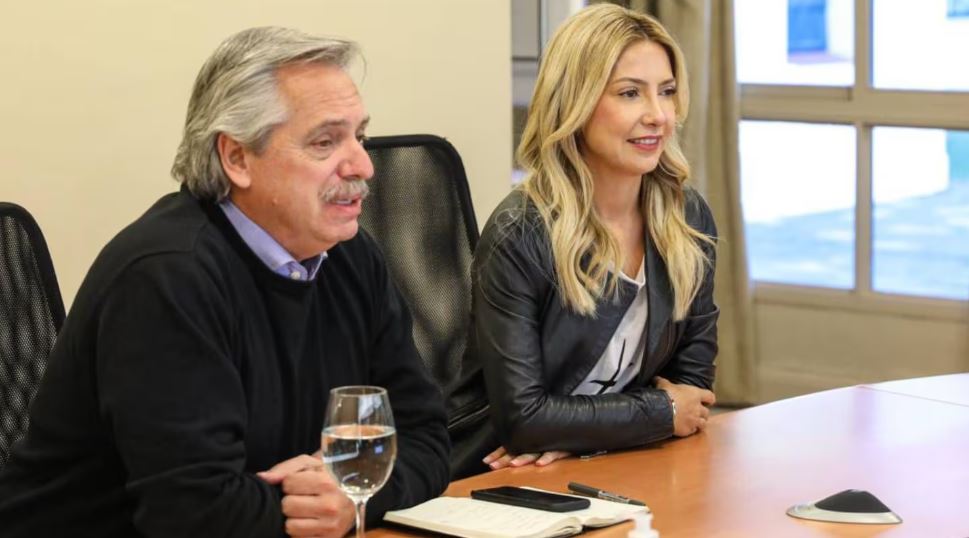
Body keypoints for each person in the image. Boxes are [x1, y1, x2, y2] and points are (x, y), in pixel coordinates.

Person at [0, 27, 449, 537]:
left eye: (359, 136)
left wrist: (350, 496)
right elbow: (193, 513)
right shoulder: (167, 277)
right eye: (326, 142)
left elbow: (427, 436)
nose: (363, 165)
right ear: (237, 158)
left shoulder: (350, 255)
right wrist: (329, 498)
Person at [449, 4, 718, 479]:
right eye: (631, 93)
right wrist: (655, 415)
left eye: (668, 92)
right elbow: (525, 419)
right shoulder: (521, 231)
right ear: (575, 102)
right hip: (500, 475)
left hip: (616, 462)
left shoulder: (684, 216)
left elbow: (692, 391)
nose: (658, 115)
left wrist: (581, 436)